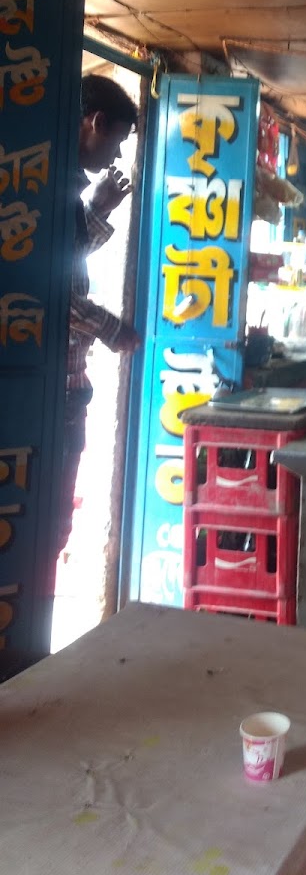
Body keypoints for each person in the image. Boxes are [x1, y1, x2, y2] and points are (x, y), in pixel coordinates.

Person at [59, 75, 141, 556]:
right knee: (51, 527)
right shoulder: (50, 181)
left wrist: (97, 208)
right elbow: (53, 295)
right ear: (96, 123)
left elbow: (64, 257)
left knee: (53, 525)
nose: (115, 157)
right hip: (56, 391)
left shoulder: (63, 184)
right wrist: (113, 330)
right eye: (117, 143)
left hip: (68, 385)